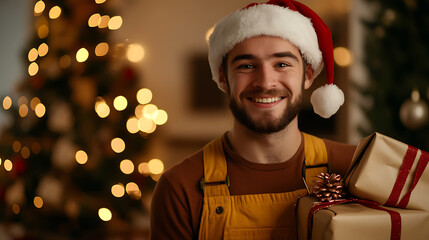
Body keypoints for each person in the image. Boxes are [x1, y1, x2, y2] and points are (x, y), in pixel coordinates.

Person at [150, 0, 356, 239]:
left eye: (282, 64)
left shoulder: (353, 169)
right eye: (247, 66)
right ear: (223, 78)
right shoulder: (179, 188)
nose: (266, 82)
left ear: (308, 75)